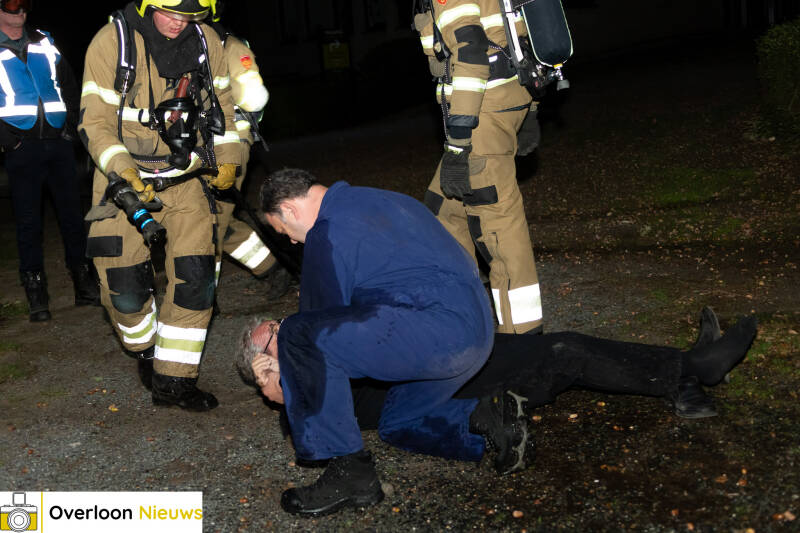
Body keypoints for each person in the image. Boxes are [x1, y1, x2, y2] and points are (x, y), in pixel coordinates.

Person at [254, 168, 759, 517]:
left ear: (292, 208)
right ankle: (489, 423)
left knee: (306, 331)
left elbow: (315, 322)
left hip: (430, 334)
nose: (295, 243)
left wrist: (292, 375)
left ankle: (350, 477)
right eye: (264, 351)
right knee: (402, 420)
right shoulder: (384, 199)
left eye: (285, 233)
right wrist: (285, 388)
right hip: (457, 331)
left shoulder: (329, 233)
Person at [237, 306, 756, 465]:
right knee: (564, 353)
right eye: (273, 339)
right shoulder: (296, 386)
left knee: (562, 343)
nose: (286, 333)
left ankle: (685, 375)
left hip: (453, 362)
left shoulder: (325, 338)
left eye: (280, 325)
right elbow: (295, 410)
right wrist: (274, 381)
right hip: (450, 390)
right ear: (262, 364)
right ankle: (697, 368)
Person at [79, 0, 241, 411]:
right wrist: (121, 169)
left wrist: (228, 161)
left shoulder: (208, 43)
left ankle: (174, 381)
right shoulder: (111, 43)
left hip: (186, 179)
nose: (177, 23)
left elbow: (223, 108)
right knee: (124, 291)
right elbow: (94, 121)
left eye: (188, 15)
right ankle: (146, 351)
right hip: (124, 182)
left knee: (196, 277)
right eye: (170, 11)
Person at [414, 0, 544, 334]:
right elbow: (525, 36)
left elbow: (471, 53)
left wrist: (458, 144)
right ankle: (462, 313)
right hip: (509, 101)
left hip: (480, 117)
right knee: (443, 210)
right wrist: (530, 109)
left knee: (496, 223)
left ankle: (523, 338)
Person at [0, 0, 99, 322]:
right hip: (21, 146)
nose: (20, 11)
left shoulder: (44, 42)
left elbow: (69, 85)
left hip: (58, 142)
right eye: (11, 4)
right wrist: (8, 140)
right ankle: (36, 296)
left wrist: (70, 128)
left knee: (72, 217)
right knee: (29, 223)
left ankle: (85, 285)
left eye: (24, 4)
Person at [205, 3, 292, 302]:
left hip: (230, 147)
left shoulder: (230, 46)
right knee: (215, 221)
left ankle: (201, 296)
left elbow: (254, 98)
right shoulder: (189, 47)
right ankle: (272, 267)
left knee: (209, 223)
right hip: (201, 152)